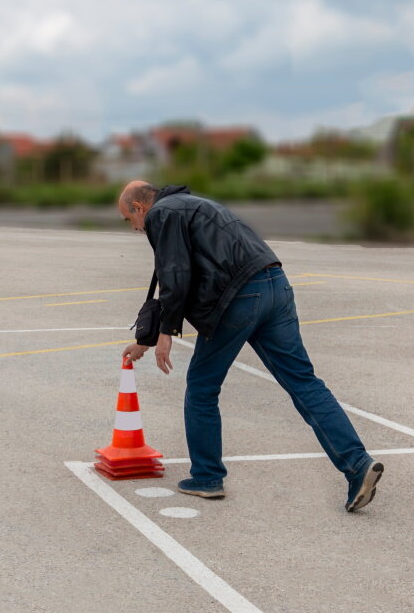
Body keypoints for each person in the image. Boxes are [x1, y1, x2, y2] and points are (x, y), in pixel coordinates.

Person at [118, 181, 383, 512]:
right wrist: (147, 338)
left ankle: (207, 477)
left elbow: (176, 272)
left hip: (238, 298)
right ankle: (357, 465)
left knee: (201, 388)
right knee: (304, 383)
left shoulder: (162, 214)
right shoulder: (196, 204)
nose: (134, 228)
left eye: (130, 220)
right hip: (275, 286)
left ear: (140, 207)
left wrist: (167, 333)